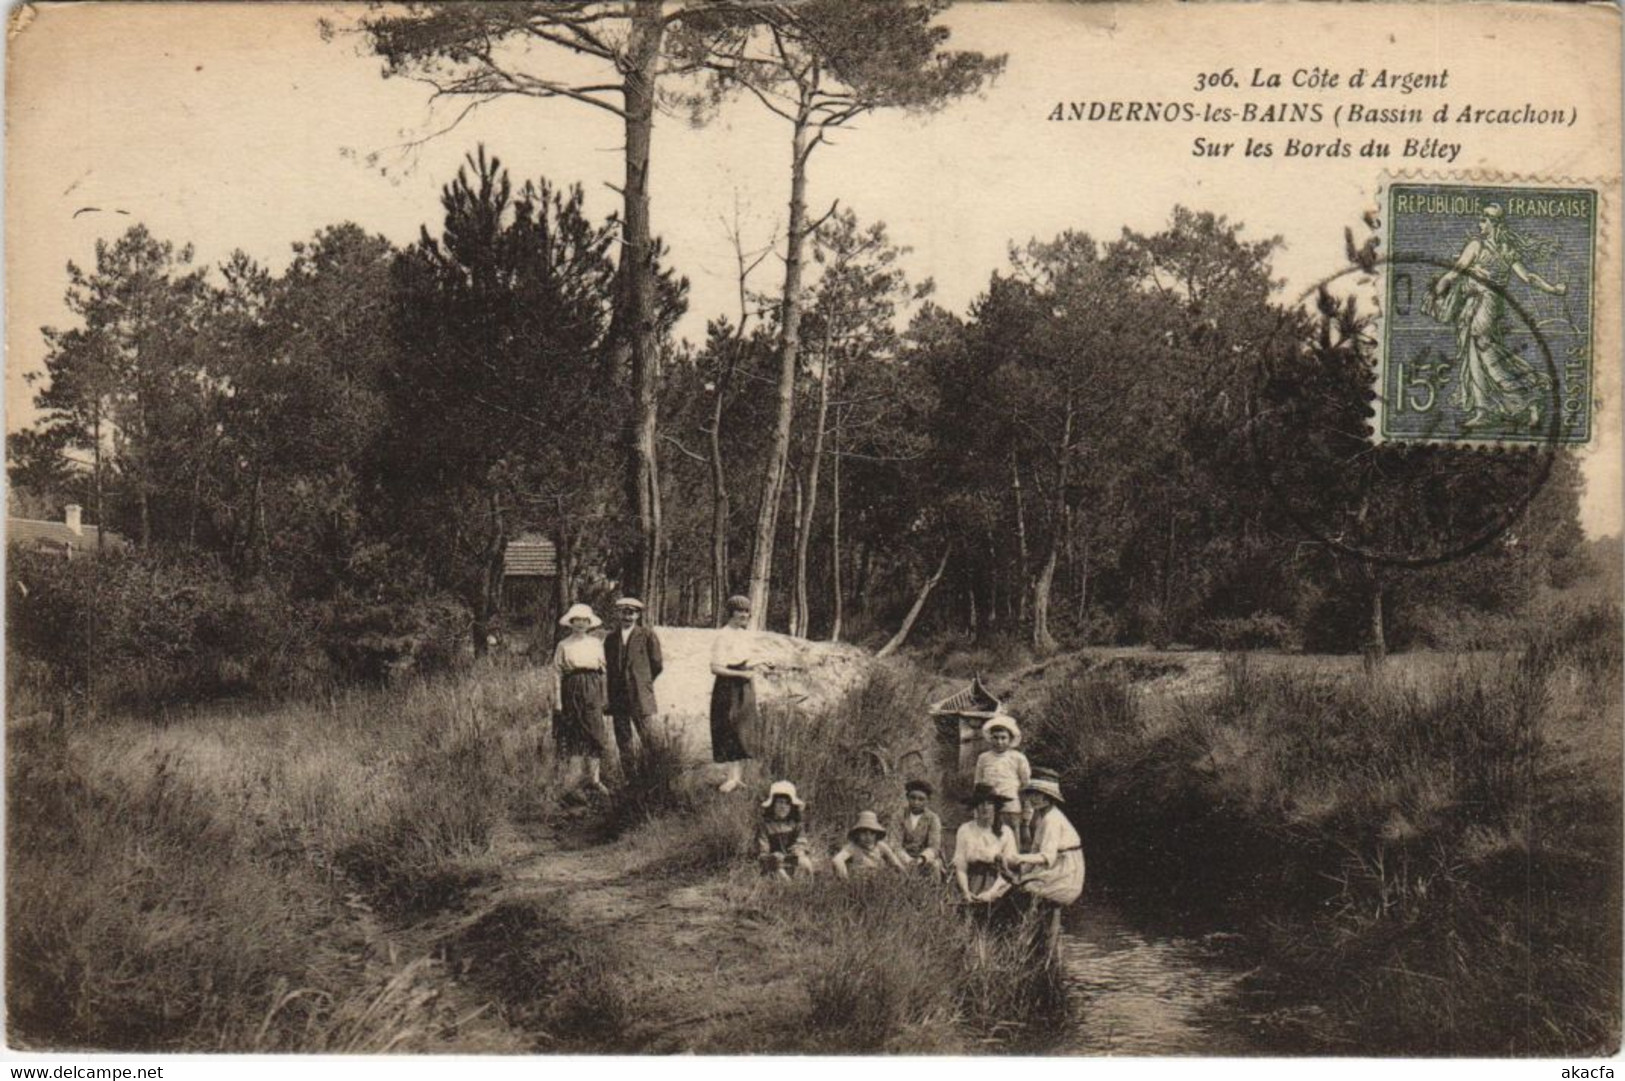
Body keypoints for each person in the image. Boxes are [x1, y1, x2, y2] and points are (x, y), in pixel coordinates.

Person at [1426, 203, 1568, 430]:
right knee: (1479, 353)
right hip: (1480, 305)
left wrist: (1554, 290)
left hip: (1485, 304)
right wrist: (1554, 289)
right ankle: (1493, 408)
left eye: (1483, 220)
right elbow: (1527, 277)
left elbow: (1457, 271)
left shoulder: (1479, 246)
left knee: (1481, 346)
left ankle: (1523, 397)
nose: (1480, 224)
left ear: (1493, 223)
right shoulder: (1504, 249)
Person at [709, 594, 769, 793]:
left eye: (747, 611)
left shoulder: (744, 635)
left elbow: (744, 660)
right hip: (728, 687)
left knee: (744, 728)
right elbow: (716, 668)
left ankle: (738, 777)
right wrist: (740, 675)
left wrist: (758, 664)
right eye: (740, 611)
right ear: (731, 613)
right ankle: (730, 777)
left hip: (745, 686)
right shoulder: (723, 635)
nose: (744, 615)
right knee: (730, 727)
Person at [551, 602, 610, 796]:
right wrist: (558, 701)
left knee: (595, 733)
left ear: (589, 623)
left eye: (585, 621)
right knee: (573, 732)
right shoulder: (563, 645)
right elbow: (556, 674)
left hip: (592, 688)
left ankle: (594, 779)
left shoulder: (595, 643)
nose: (581, 624)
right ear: (571, 622)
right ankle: (573, 782)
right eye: (577, 620)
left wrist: (603, 696)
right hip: (571, 688)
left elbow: (603, 671)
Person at [1006, 769, 1085, 908]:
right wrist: (1023, 871)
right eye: (1032, 794)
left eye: (1040, 795)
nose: (1034, 799)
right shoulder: (1041, 818)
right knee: (1017, 882)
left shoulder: (1051, 820)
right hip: (1058, 867)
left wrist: (1019, 858)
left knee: (1024, 891)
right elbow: (1035, 850)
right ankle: (1035, 924)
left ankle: (1036, 926)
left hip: (1066, 873)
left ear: (1050, 797)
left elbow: (1047, 857)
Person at [604, 596, 663, 772]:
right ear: (618, 614)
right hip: (618, 696)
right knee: (623, 739)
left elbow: (657, 664)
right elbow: (609, 666)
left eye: (632, 613)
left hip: (640, 695)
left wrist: (643, 682)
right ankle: (630, 776)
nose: (627, 617)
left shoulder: (647, 635)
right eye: (624, 613)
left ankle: (654, 774)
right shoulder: (610, 639)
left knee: (648, 737)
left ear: (637, 616)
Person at [953, 784, 1019, 907]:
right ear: (975, 807)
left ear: (996, 807)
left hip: (997, 884)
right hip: (970, 881)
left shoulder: (1006, 832)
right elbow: (961, 866)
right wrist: (966, 892)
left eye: (989, 803)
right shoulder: (965, 829)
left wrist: (991, 893)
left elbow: (1008, 871)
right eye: (980, 803)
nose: (985, 807)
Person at [973, 715, 1031, 841]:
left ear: (1010, 739)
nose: (999, 742)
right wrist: (977, 812)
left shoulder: (1018, 758)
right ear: (990, 738)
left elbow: (1027, 787)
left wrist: (1026, 818)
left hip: (1011, 810)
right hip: (988, 811)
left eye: (1003, 738)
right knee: (989, 844)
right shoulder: (983, 758)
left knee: (1010, 845)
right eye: (995, 738)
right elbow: (978, 784)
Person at [755, 780, 815, 880]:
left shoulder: (795, 824)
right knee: (780, 872)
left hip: (791, 859)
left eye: (787, 803)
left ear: (791, 807)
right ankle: (787, 886)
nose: (783, 807)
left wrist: (798, 850)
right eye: (780, 802)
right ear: (773, 804)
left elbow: (801, 841)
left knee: (806, 863)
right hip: (773, 862)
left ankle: (810, 886)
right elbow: (763, 850)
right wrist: (772, 855)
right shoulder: (765, 825)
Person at [832, 811, 907, 879]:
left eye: (872, 833)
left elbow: (896, 863)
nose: (868, 837)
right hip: (858, 885)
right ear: (857, 834)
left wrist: (906, 877)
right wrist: (845, 879)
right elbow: (837, 860)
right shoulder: (852, 847)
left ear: (876, 834)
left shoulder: (881, 846)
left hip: (878, 882)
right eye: (864, 832)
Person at [895, 780, 944, 876]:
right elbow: (894, 843)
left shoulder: (933, 818)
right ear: (907, 797)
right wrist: (908, 860)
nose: (916, 802)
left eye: (921, 799)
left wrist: (921, 859)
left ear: (927, 801)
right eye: (912, 798)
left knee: (934, 866)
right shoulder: (899, 816)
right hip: (903, 857)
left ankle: (933, 890)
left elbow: (934, 846)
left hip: (924, 859)